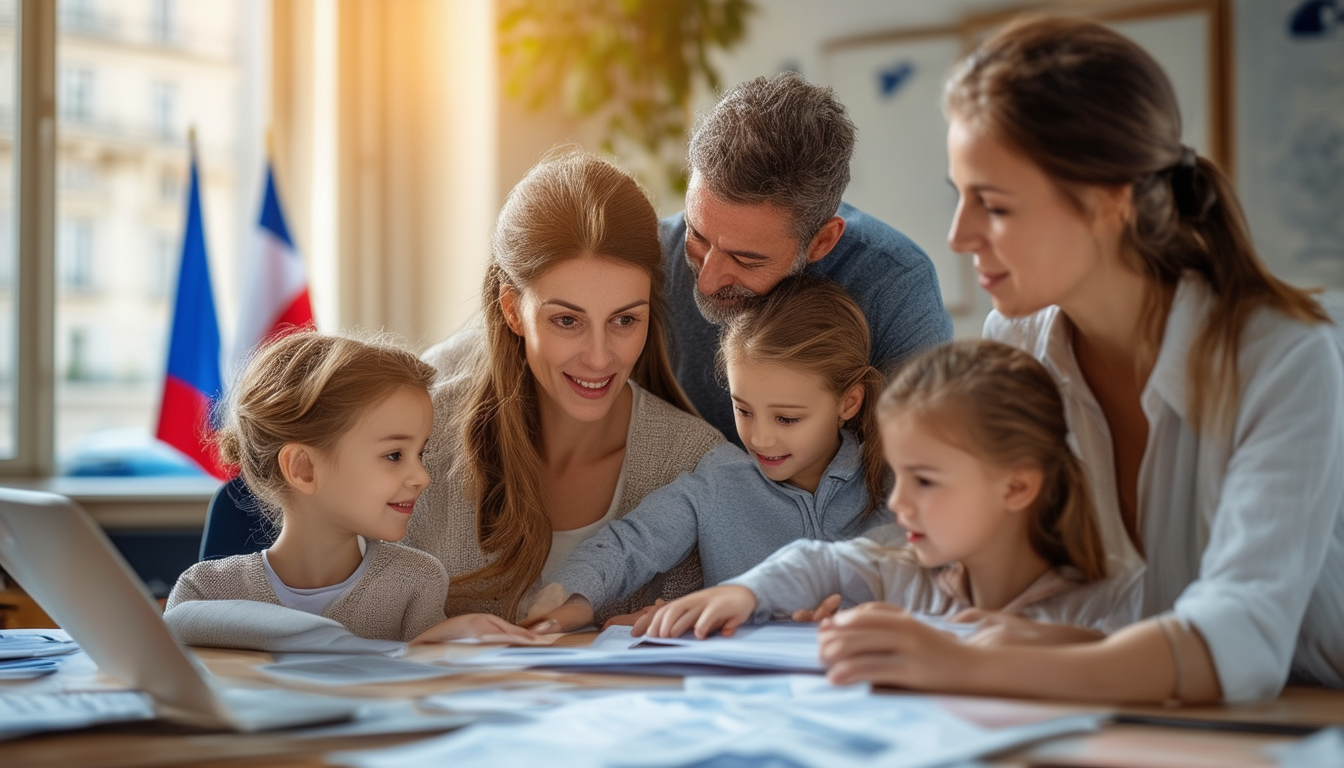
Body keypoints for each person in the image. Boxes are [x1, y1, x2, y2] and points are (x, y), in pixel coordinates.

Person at [815, 16, 1344, 704]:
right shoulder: (1022, 338)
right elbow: (1000, 543)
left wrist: (972, 665)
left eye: (994, 206)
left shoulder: (1282, 355)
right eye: (960, 197)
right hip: (1179, 706)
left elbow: (1243, 634)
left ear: (1107, 203)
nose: (958, 236)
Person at [634, 339, 1141, 641]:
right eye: (902, 475)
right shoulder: (909, 580)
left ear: (1017, 486)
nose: (898, 503)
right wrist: (745, 591)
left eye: (925, 480)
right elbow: (816, 562)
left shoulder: (1112, 605)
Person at [409, 152, 724, 624]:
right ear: (513, 310)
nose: (599, 358)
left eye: (624, 320)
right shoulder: (419, 440)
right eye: (566, 320)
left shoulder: (694, 464)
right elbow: (343, 618)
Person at [523, 276, 895, 632]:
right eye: (744, 410)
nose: (761, 438)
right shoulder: (718, 481)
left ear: (849, 402)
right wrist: (572, 598)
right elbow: (630, 543)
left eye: (787, 418)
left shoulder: (894, 482)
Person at [166, 332, 532, 644]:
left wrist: (438, 644)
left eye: (419, 453)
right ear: (303, 469)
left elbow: (419, 696)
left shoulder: (416, 582)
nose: (422, 476)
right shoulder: (203, 591)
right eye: (393, 455)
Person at [660, 71, 954, 444]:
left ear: (822, 241)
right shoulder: (651, 253)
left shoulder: (896, 288)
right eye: (697, 234)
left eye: (746, 260)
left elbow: (917, 471)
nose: (707, 279)